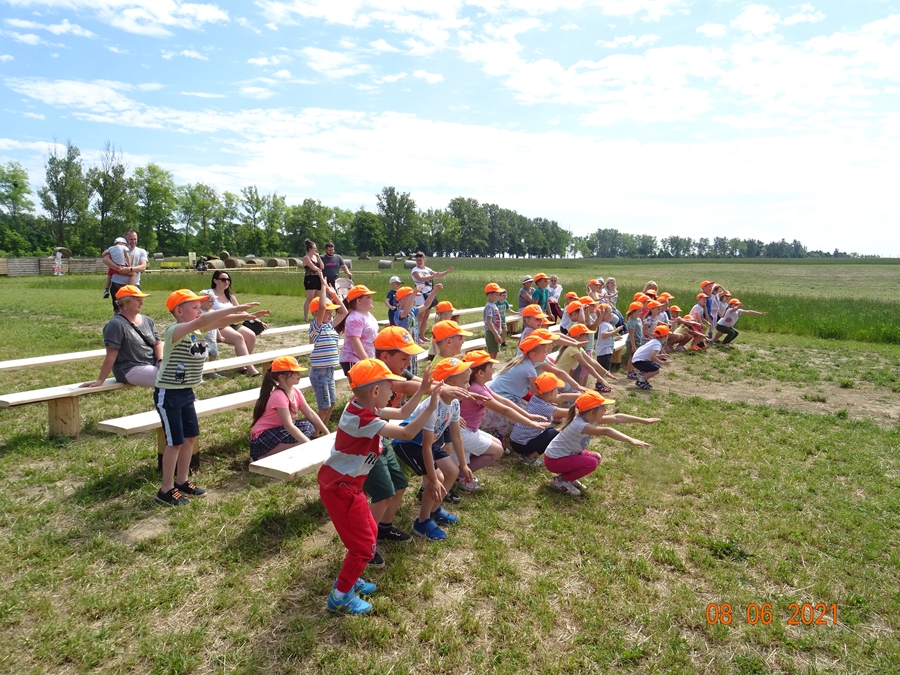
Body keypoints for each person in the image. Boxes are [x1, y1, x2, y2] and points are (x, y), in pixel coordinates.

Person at [319, 358, 442, 614]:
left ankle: (350, 579)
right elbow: (407, 432)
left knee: (368, 534)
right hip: (341, 489)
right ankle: (340, 597)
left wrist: (422, 391)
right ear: (376, 391)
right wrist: (431, 406)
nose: (393, 393)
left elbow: (402, 414)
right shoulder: (363, 418)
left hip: (349, 486)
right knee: (364, 547)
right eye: (390, 388)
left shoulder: (363, 407)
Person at [155, 289, 269, 506]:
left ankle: (182, 481)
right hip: (169, 393)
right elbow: (207, 319)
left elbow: (220, 321)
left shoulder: (197, 330)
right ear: (179, 311)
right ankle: (166, 489)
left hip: (187, 392)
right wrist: (237, 307)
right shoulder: (174, 330)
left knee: (189, 438)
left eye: (200, 307)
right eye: (195, 307)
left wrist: (246, 316)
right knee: (175, 442)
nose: (200, 311)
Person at [393, 358, 472, 542]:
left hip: (427, 442)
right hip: (408, 443)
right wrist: (434, 479)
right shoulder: (432, 406)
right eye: (465, 382)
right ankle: (422, 522)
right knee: (438, 478)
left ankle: (435, 509)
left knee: (452, 471)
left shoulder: (454, 403)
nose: (468, 386)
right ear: (449, 384)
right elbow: (426, 447)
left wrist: (463, 464)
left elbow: (456, 436)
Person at [457, 350, 549, 486]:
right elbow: (504, 410)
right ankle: (461, 476)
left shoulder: (479, 385)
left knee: (497, 444)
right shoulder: (477, 389)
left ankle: (463, 468)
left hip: (468, 430)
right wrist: (530, 423)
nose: (493, 370)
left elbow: (504, 401)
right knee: (497, 451)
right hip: (462, 432)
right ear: (480, 373)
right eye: (490, 367)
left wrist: (528, 415)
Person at [544, 391, 656, 496]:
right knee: (591, 463)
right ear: (592, 412)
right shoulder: (580, 425)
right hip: (554, 461)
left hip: (564, 456)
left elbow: (617, 417)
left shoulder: (588, 418)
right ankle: (561, 481)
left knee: (596, 457)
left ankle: (569, 478)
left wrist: (643, 420)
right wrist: (630, 440)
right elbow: (606, 431)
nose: (605, 411)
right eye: (603, 408)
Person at [249, 356, 330, 461]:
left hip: (279, 430)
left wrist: (327, 434)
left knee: (308, 427)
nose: (299, 374)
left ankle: (282, 454)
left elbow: (311, 414)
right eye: (295, 372)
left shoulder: (295, 391)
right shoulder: (279, 396)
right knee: (297, 435)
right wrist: (310, 445)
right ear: (282, 377)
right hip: (263, 437)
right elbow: (289, 426)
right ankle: (260, 457)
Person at [80, 285, 162, 388]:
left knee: (178, 372)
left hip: (152, 363)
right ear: (125, 302)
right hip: (130, 369)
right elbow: (111, 355)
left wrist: (161, 361)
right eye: (137, 300)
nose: (142, 303)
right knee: (171, 378)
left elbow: (157, 343)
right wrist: (100, 380)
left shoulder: (147, 320)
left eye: (142, 300)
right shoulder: (116, 324)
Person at [308, 272, 348, 425]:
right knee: (324, 406)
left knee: (331, 404)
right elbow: (322, 306)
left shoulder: (330, 325)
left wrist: (333, 293)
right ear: (316, 313)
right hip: (320, 373)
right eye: (327, 312)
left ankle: (321, 429)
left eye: (331, 312)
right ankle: (315, 433)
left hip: (329, 371)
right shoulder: (317, 327)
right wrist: (323, 287)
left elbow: (344, 312)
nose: (330, 314)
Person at [208, 270, 265, 377]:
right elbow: (203, 310)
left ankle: (242, 365)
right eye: (223, 279)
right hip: (217, 326)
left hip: (231, 324)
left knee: (251, 335)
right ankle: (251, 370)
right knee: (238, 338)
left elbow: (239, 311)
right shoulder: (209, 294)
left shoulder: (230, 296)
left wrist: (256, 319)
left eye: (228, 279)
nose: (226, 282)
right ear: (215, 281)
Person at [509, 372, 574, 465]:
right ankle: (529, 458)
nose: (558, 392)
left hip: (516, 441)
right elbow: (568, 413)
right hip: (522, 445)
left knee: (550, 430)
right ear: (551, 393)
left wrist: (580, 396)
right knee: (557, 433)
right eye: (556, 390)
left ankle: (526, 455)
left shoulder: (535, 398)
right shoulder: (545, 407)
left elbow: (560, 398)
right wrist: (582, 405)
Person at [410, 252, 453, 343]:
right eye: (417, 260)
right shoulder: (415, 270)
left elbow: (437, 274)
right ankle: (416, 336)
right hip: (420, 294)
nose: (419, 262)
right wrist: (432, 276)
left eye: (420, 260)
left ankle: (422, 335)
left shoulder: (427, 269)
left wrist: (446, 272)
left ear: (424, 260)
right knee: (420, 317)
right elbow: (421, 279)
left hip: (429, 294)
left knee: (426, 316)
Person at [102, 229, 148, 314]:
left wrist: (129, 269)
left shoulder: (141, 251)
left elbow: (143, 267)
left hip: (134, 285)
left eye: (135, 239)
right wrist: (119, 269)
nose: (133, 241)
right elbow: (105, 259)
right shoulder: (117, 249)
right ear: (125, 240)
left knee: (135, 311)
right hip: (118, 284)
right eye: (130, 239)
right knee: (118, 311)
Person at [339, 285, 379, 375]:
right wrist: (366, 360)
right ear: (359, 301)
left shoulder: (369, 315)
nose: (372, 298)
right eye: (368, 297)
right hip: (354, 359)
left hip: (367, 359)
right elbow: (355, 340)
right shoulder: (355, 318)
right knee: (361, 384)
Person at [632, 325, 670, 390]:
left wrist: (659, 356)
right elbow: (652, 357)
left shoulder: (654, 341)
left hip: (636, 360)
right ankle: (641, 380)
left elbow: (648, 354)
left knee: (656, 366)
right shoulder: (657, 344)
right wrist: (663, 363)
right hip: (639, 362)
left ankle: (642, 376)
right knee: (656, 370)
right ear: (666, 336)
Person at [302, 239, 324, 322]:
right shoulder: (306, 258)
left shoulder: (316, 257)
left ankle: (317, 315)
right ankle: (306, 317)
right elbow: (314, 268)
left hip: (317, 278)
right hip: (310, 278)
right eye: (314, 248)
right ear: (310, 249)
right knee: (309, 299)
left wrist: (319, 257)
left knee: (317, 299)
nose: (316, 250)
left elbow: (322, 267)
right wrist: (319, 270)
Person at [483, 282, 505, 359]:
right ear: (490, 295)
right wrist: (496, 335)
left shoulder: (493, 305)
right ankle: (489, 366)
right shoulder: (489, 306)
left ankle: (489, 365)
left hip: (495, 332)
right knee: (493, 353)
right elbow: (489, 321)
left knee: (494, 352)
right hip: (491, 332)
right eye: (497, 295)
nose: (498, 297)